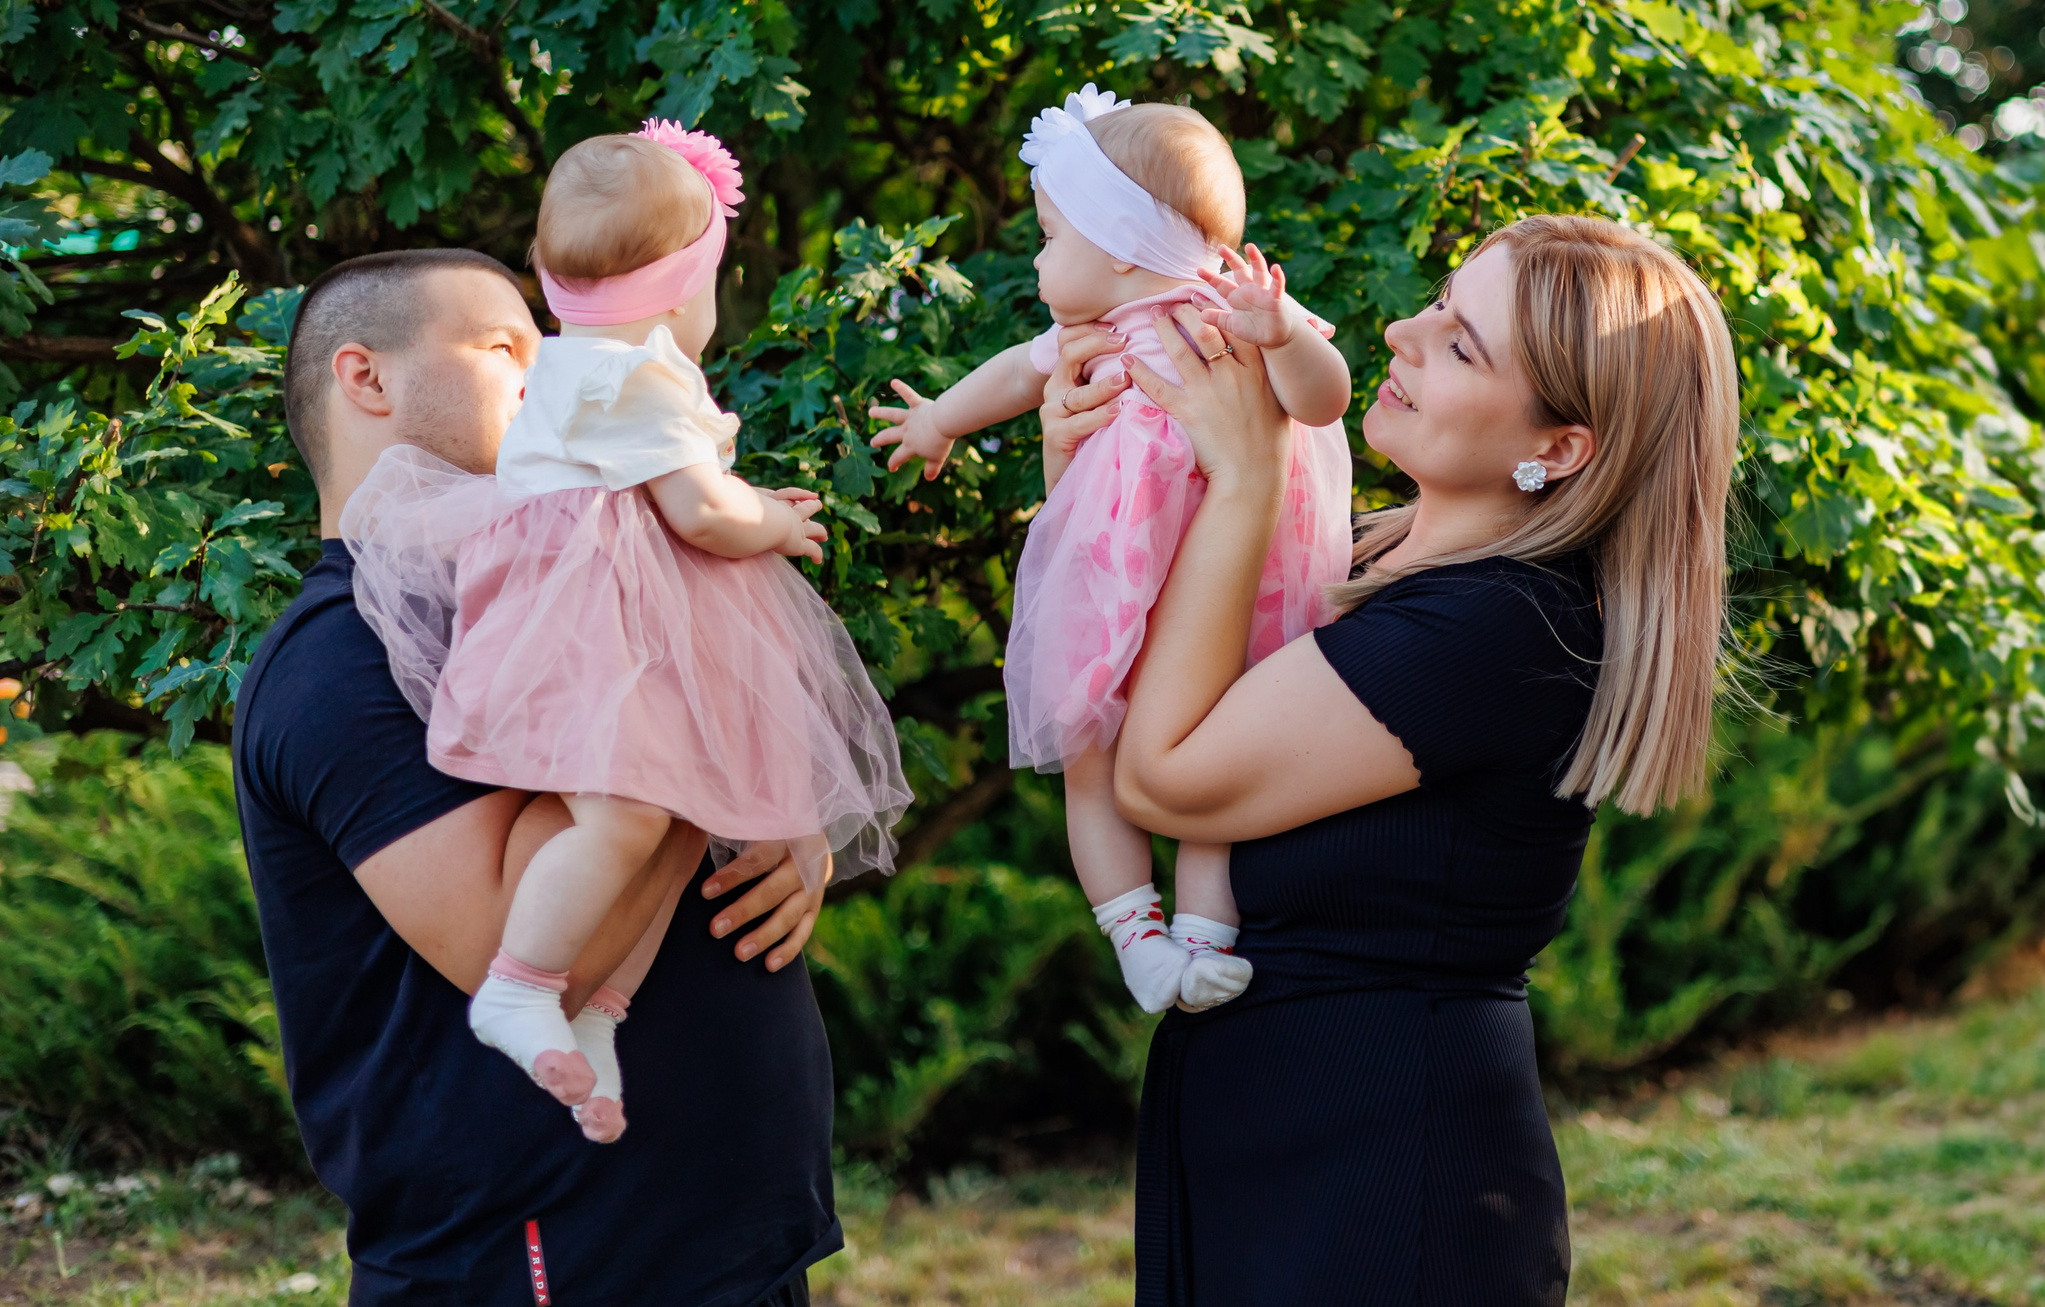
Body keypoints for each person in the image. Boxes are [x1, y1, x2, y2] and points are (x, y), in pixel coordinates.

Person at [1045, 213, 1739, 1306]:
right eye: (1438, 305)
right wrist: (1090, 461)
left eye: (1461, 344)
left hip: (1381, 1178)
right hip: (1268, 1132)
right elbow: (1105, 673)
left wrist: (1241, 477)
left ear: (1558, 450)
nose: (1401, 333)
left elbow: (1162, 776)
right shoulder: (1365, 551)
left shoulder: (1501, 630)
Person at [232, 247, 843, 1306]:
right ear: (364, 378)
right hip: (549, 1258)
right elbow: (534, 951)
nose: (546, 369)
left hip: (729, 1243)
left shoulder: (552, 580)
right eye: (500, 346)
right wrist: (710, 774)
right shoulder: (338, 660)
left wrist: (783, 825)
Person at [340, 124, 907, 1141]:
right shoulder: (633, 374)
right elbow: (700, 515)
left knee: (660, 810)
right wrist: (773, 520)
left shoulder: (579, 367)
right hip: (590, 622)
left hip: (604, 609)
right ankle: (520, 986)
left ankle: (601, 1016)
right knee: (623, 819)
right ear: (681, 291)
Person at [869, 85, 1353, 1015]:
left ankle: (1207, 936)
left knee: (1222, 756)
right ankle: (1137, 937)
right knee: (1092, 754)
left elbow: (1325, 397)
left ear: (1125, 248)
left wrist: (1284, 330)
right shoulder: (1089, 338)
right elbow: (1015, 373)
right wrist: (938, 420)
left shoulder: (1233, 316)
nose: (1040, 255)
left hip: (1236, 588)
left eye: (1052, 235)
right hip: (1117, 583)